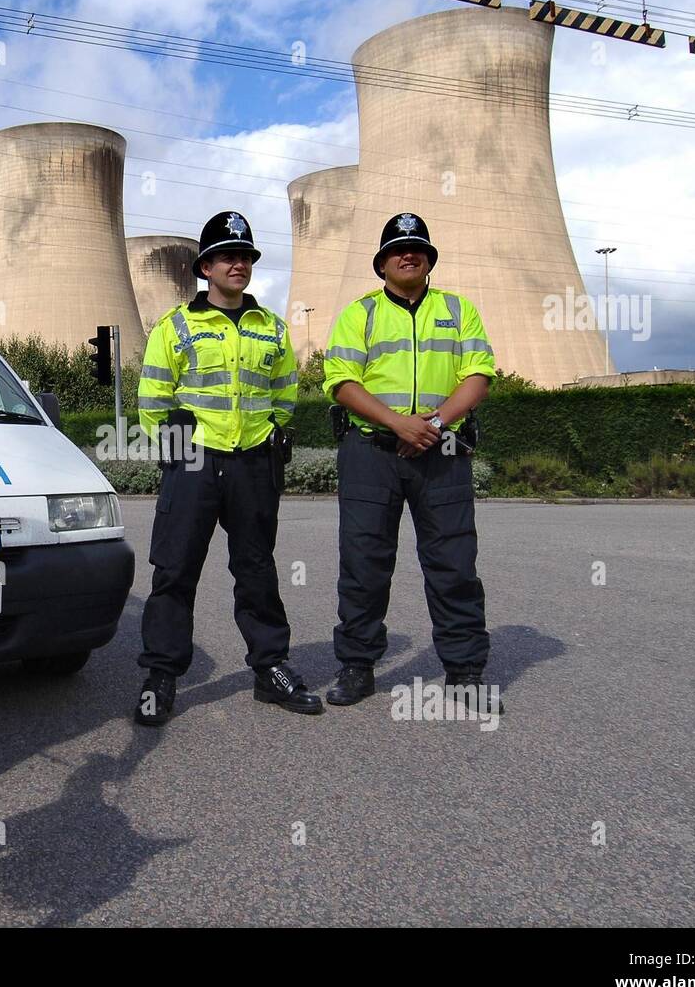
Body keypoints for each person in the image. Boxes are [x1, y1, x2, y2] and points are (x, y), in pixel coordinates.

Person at [134, 210, 320, 726]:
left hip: (253, 464)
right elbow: (151, 400)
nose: (238, 264)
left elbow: (285, 395)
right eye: (226, 256)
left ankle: (271, 668)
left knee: (257, 570)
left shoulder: (272, 329)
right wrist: (179, 446)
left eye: (245, 256)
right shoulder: (176, 326)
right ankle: (161, 677)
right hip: (194, 463)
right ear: (205, 268)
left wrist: (274, 437)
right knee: (174, 571)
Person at [322, 212, 499, 710]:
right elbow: (341, 381)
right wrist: (399, 424)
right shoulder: (360, 314)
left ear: (429, 260)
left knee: (454, 563)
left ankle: (464, 672)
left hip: (441, 451)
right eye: (398, 248)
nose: (408, 254)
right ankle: (357, 666)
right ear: (381, 263)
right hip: (371, 453)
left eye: (417, 247)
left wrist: (434, 424)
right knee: (364, 564)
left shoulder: (458, 310)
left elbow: (479, 375)